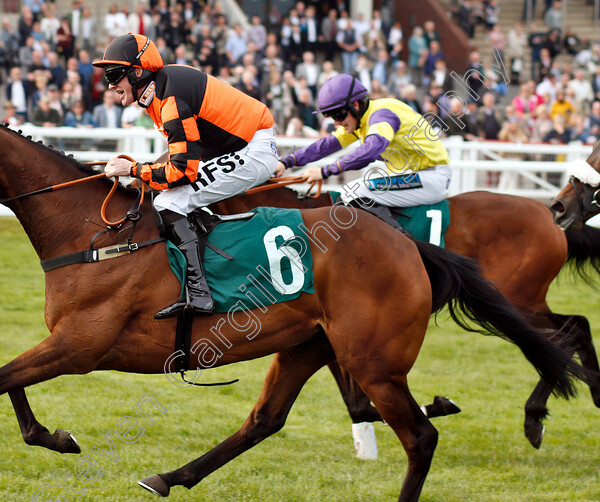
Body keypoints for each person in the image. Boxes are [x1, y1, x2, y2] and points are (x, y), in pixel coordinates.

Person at [94, 33, 278, 318]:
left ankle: (200, 294)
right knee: (163, 194)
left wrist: (133, 169)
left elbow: (180, 172)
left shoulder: (171, 100)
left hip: (251, 150)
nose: (111, 84)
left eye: (115, 74)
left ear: (139, 72)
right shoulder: (161, 88)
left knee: (169, 203)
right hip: (239, 145)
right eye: (108, 76)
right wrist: (143, 172)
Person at [275, 73, 451, 235]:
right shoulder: (360, 120)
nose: (336, 123)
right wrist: (286, 162)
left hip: (430, 177)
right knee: (353, 191)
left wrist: (325, 171)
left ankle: (404, 243)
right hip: (413, 176)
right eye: (331, 117)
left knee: (354, 191)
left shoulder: (381, 115)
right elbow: (326, 145)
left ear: (356, 105)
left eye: (339, 115)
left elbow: (371, 149)